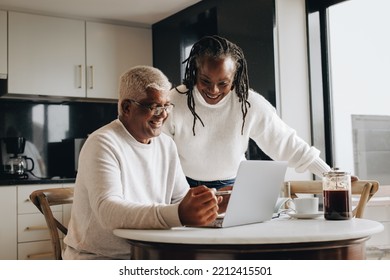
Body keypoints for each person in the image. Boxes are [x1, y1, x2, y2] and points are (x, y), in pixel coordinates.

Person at [63, 66, 220, 260]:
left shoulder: (166, 145)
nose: (163, 114)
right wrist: (178, 213)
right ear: (127, 107)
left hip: (150, 254)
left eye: (166, 106)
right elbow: (108, 212)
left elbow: (180, 200)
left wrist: (213, 202)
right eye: (154, 106)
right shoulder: (102, 143)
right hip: (100, 257)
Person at [162, 35, 332, 190]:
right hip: (184, 185)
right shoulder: (173, 101)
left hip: (233, 185)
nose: (213, 90)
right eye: (205, 81)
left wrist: (330, 175)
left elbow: (286, 143)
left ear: (235, 78)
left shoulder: (248, 103)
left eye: (223, 83)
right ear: (194, 73)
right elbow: (158, 153)